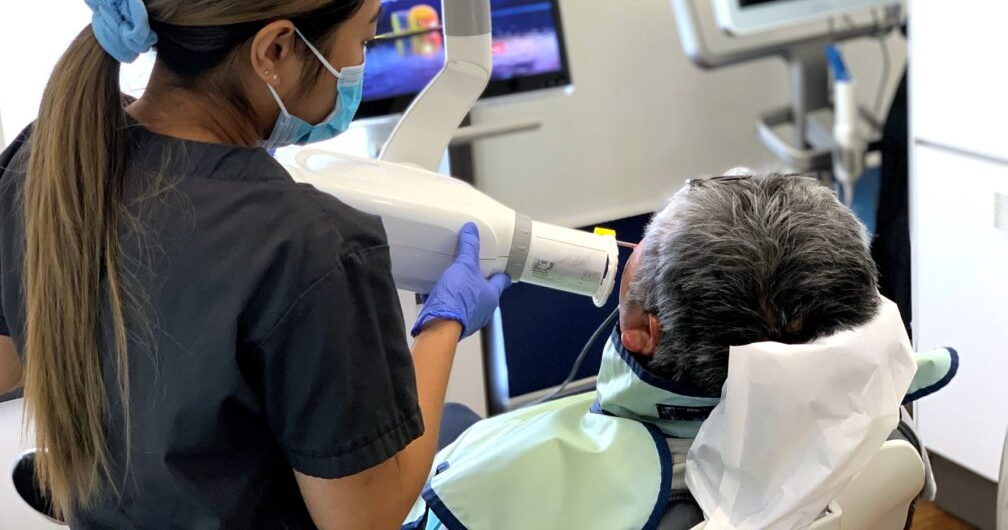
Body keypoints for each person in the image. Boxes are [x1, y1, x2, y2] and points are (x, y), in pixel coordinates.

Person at [0, 0, 509, 529]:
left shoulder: (46, 158)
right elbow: (366, 516)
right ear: (276, 50)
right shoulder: (310, 246)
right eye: (363, 37)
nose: (358, 63)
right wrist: (441, 326)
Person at [403, 172, 957, 529]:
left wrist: (439, 330)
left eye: (643, 247)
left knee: (450, 420)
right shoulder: (886, 429)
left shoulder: (483, 490)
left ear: (643, 329)